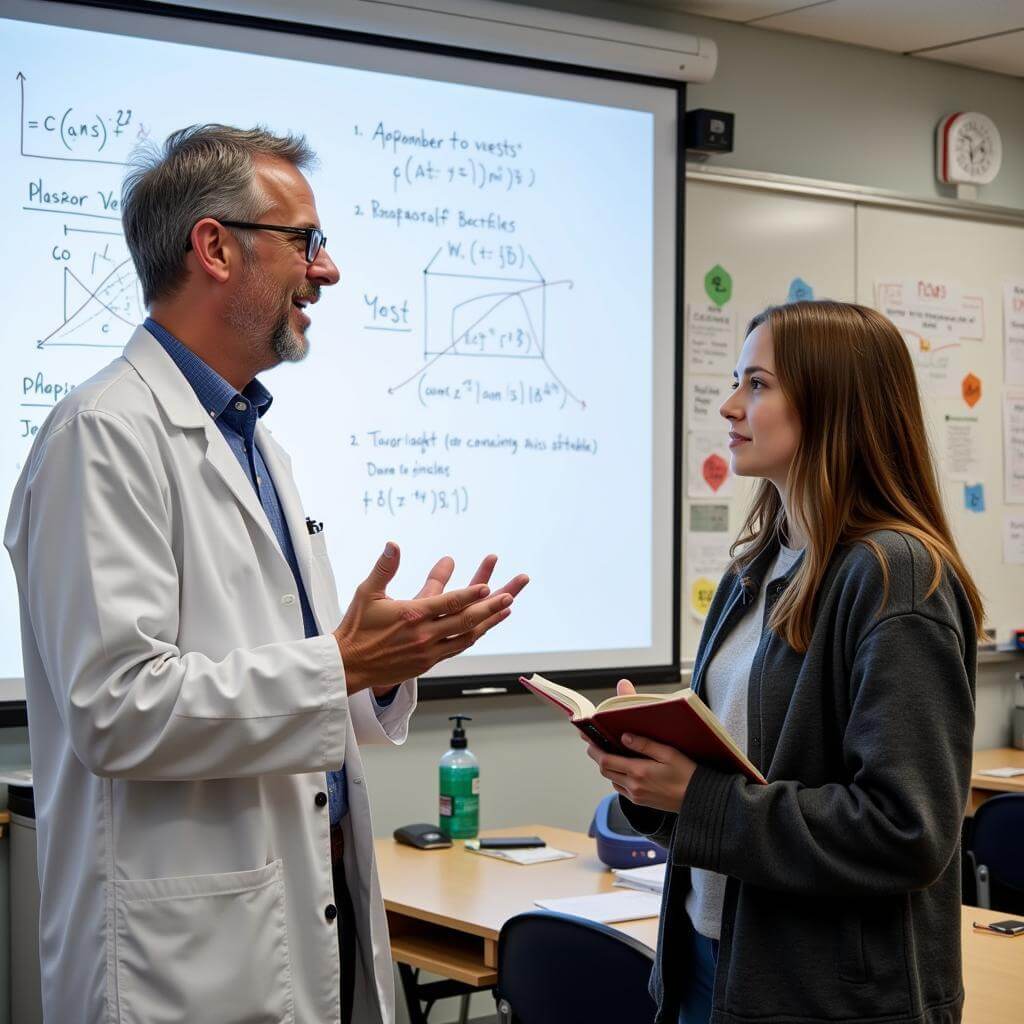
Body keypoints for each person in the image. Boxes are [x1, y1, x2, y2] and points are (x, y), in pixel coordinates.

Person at [4, 124, 527, 1024]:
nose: (326, 272)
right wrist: (345, 665)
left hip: (302, 923)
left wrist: (388, 662)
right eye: (306, 242)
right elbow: (116, 711)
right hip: (181, 967)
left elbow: (295, 689)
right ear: (214, 246)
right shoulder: (103, 434)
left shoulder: (258, 445)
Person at [584, 300, 981, 1024]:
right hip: (713, 961)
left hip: (828, 998)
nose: (731, 405)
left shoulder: (897, 579)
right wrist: (649, 778)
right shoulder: (757, 569)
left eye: (759, 385)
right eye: (738, 381)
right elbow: (738, 793)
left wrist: (698, 796)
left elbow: (905, 833)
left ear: (834, 403)